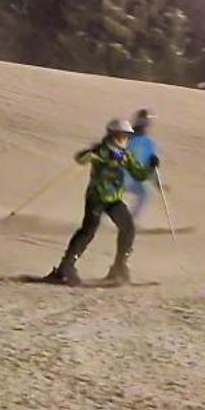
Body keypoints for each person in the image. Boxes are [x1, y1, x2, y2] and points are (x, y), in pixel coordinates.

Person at [43, 118, 156, 286]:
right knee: (88, 231)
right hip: (97, 197)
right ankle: (65, 268)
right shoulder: (102, 150)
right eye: (120, 136)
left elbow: (138, 174)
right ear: (111, 135)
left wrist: (150, 167)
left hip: (114, 199)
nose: (123, 140)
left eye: (126, 137)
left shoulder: (125, 155)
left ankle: (119, 267)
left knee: (128, 229)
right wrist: (90, 152)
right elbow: (81, 159)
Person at [124, 109, 160, 220]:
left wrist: (157, 181)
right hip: (119, 176)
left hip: (132, 178)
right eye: (145, 122)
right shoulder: (127, 138)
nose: (147, 125)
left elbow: (150, 164)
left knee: (143, 194)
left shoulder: (148, 142)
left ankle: (129, 221)